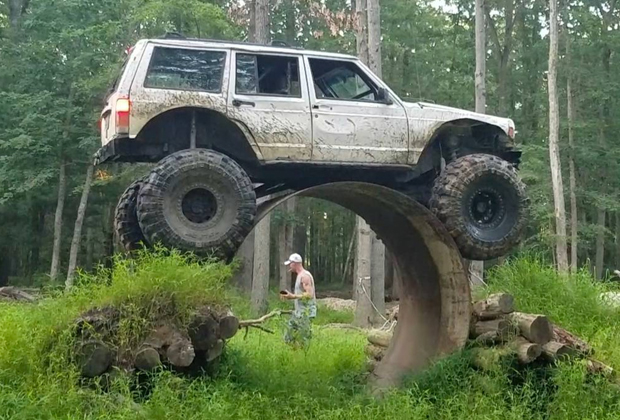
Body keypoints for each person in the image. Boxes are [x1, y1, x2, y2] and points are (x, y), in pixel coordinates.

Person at [280, 253, 317, 318]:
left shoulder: (305, 276)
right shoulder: (300, 275)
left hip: (307, 313)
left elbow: (309, 294)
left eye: (290, 264)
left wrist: (293, 296)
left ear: (294, 263)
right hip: (300, 313)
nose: (289, 266)